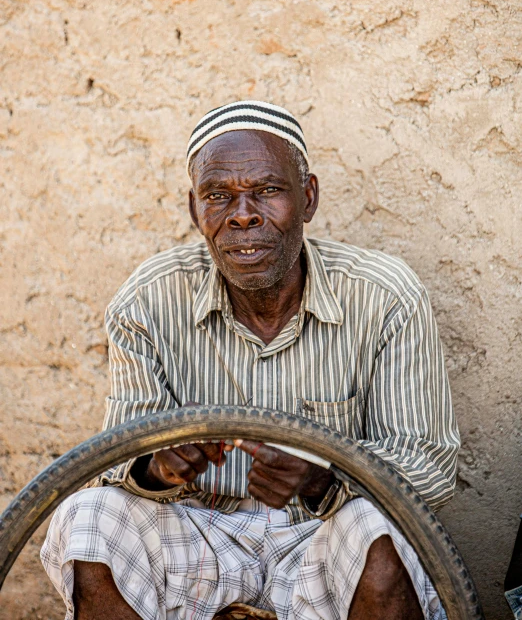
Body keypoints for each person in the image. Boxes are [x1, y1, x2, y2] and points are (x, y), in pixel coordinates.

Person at [41, 101, 460, 620]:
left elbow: (431, 469)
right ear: (196, 211)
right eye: (219, 196)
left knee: (380, 529)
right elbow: (113, 466)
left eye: (267, 190)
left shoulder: (385, 297)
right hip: (197, 535)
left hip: (322, 535)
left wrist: (323, 477)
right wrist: (158, 466)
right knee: (88, 518)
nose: (243, 214)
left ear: (307, 198)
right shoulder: (147, 301)